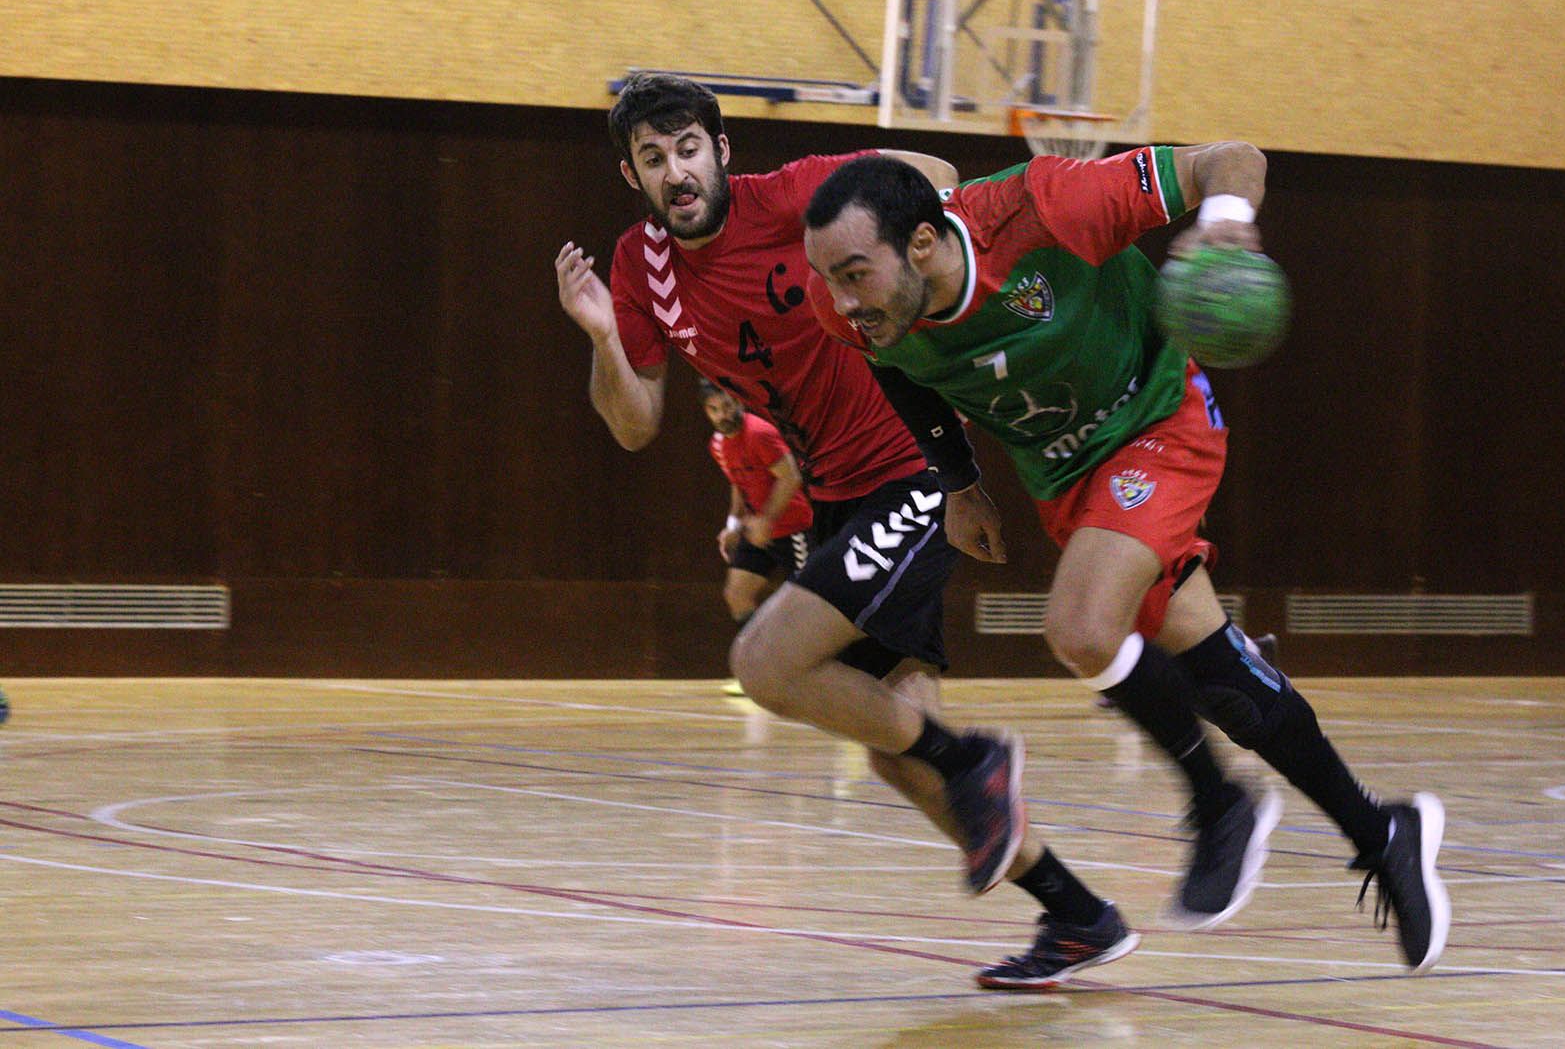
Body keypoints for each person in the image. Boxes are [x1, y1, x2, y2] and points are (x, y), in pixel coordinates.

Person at [801, 150, 1451, 975]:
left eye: (855, 274)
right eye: (829, 278)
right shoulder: (858, 314)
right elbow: (901, 376)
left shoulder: (1047, 208)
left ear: (923, 242)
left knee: (1079, 625)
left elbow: (1232, 158)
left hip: (1160, 422)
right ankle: (1380, 830)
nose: (842, 301)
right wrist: (960, 481)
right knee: (1219, 675)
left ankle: (1219, 805)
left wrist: (1224, 227)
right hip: (1067, 476)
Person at [556, 72, 1140, 989]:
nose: (676, 171)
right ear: (632, 175)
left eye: (688, 149)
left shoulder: (795, 196)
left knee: (764, 663)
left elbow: (935, 169)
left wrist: (901, 262)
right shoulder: (641, 266)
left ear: (722, 151)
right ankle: (1078, 913)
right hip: (836, 498)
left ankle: (977, 758)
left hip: (908, 471)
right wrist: (598, 335)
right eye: (653, 158)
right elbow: (632, 423)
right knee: (899, 755)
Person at [700, 377, 814, 626]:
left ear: (739, 402)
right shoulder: (718, 445)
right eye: (714, 409)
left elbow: (791, 476)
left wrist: (766, 520)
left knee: (809, 605)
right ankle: (758, 659)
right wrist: (732, 525)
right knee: (736, 595)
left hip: (793, 530)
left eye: (728, 406)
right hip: (756, 533)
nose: (723, 416)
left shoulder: (759, 433)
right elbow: (738, 484)